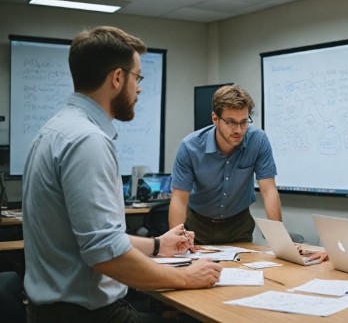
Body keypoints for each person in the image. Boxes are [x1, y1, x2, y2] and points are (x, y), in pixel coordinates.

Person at [22, 26, 223, 322]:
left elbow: (94, 237)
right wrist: (187, 277)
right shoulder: (88, 141)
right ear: (117, 78)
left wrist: (157, 245)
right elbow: (105, 252)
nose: (138, 88)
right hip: (88, 315)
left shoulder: (55, 129)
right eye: (137, 77)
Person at [169, 84, 281, 244]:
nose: (239, 130)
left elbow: (269, 191)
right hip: (198, 225)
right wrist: (177, 241)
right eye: (231, 122)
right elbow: (179, 199)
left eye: (244, 122)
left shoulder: (258, 140)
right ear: (215, 118)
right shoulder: (190, 147)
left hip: (239, 225)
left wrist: (278, 240)